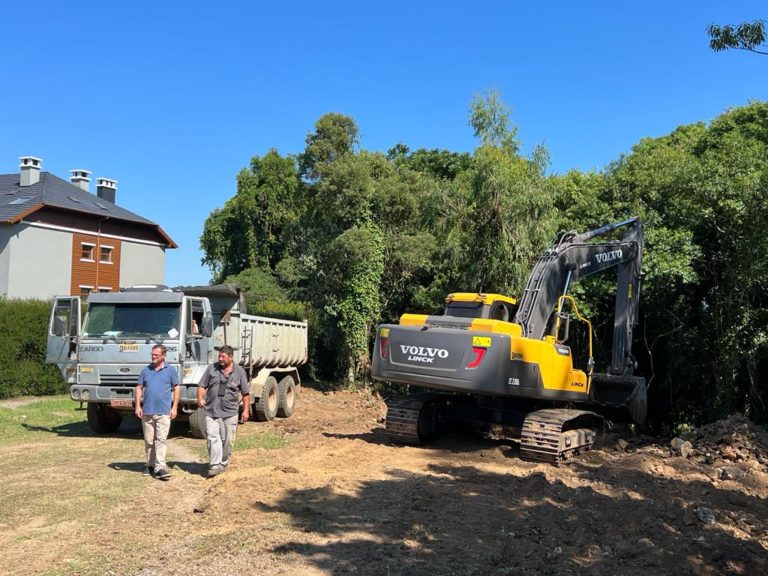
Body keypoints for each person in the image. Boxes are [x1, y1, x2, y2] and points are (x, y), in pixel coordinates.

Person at [197, 345, 250, 478]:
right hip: (211, 409)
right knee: (212, 436)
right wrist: (200, 398)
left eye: (223, 356)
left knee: (227, 440)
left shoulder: (239, 372)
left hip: (230, 411)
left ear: (230, 358)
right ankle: (214, 464)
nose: (220, 359)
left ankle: (223, 462)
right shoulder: (211, 368)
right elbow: (202, 385)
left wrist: (246, 411)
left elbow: (245, 393)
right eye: (219, 356)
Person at [135, 344, 179, 480]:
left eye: (156, 355)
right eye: (152, 354)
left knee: (161, 440)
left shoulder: (170, 370)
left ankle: (160, 467)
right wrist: (137, 406)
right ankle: (150, 465)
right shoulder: (146, 371)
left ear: (164, 355)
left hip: (164, 412)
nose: (153, 357)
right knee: (149, 441)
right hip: (147, 411)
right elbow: (139, 388)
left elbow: (176, 389)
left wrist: (174, 407)